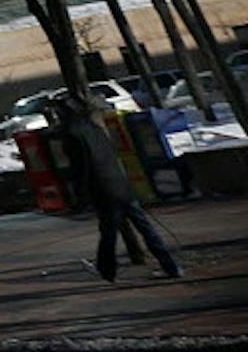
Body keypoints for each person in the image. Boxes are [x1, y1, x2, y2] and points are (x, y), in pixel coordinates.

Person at [52, 93, 183, 282]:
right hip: (122, 186)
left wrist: (79, 195)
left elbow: (81, 167)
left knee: (109, 233)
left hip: (103, 190)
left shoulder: (71, 134)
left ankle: (107, 271)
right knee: (145, 228)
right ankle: (170, 266)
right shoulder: (95, 128)